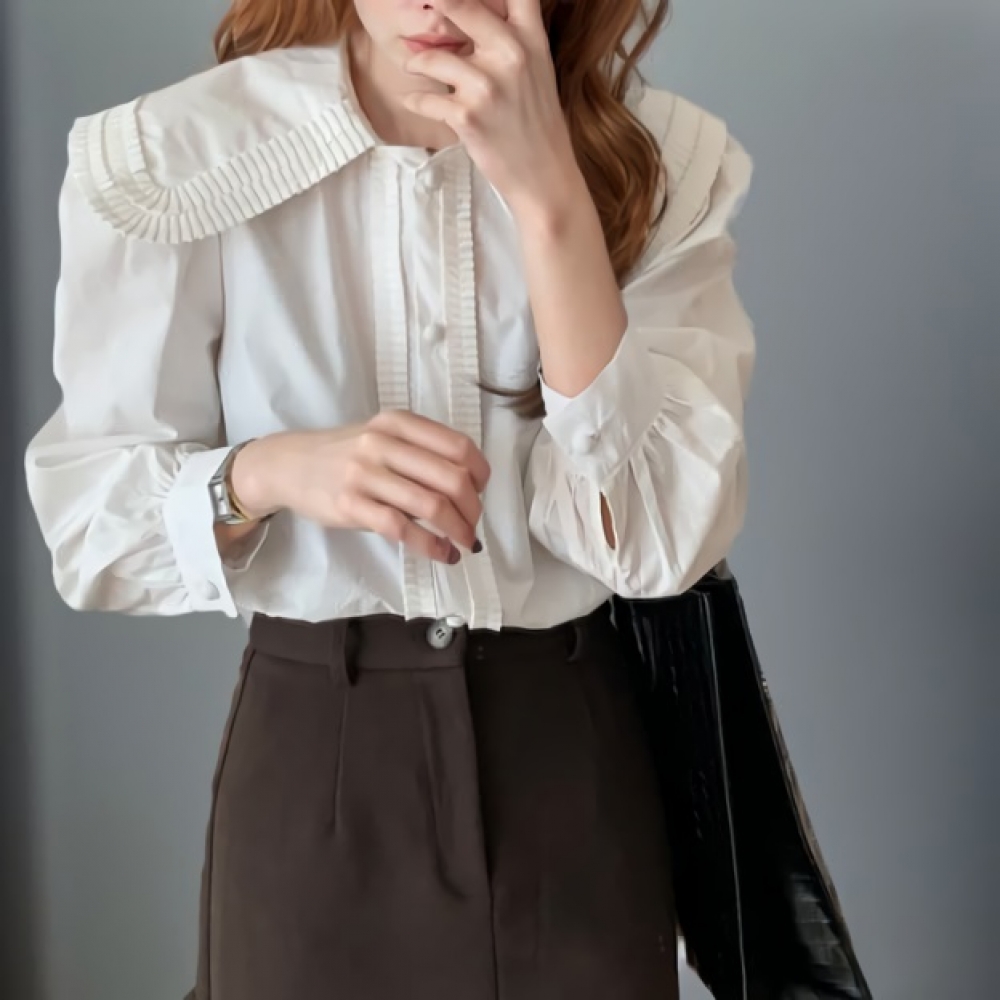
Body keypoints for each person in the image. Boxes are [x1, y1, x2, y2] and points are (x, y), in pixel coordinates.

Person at [23, 0, 756, 998]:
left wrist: (548, 199)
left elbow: (656, 540)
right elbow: (88, 527)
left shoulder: (660, 159)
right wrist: (272, 471)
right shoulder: (177, 160)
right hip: (317, 763)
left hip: (568, 759)